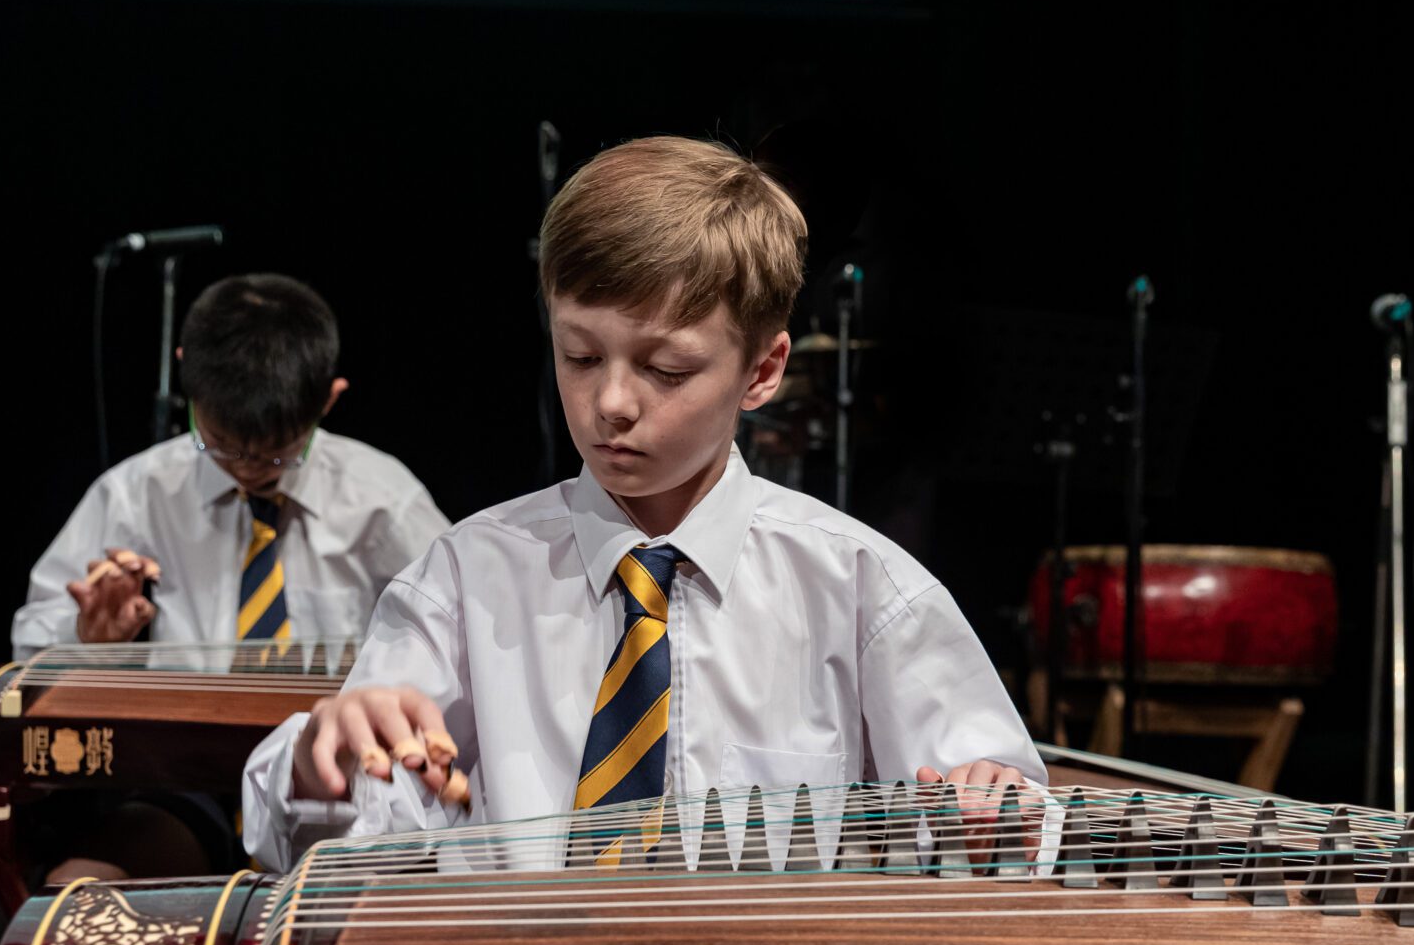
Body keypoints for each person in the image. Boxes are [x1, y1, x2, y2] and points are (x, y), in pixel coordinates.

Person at [243, 137, 1041, 870]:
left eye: (665, 368)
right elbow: (327, 827)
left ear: (762, 370)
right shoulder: (467, 577)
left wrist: (992, 807)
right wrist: (330, 755)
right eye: (580, 355)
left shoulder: (861, 587)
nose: (612, 402)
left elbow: (1011, 817)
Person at [13, 272, 449, 879]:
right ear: (186, 374)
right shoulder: (138, 495)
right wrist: (93, 637)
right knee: (78, 894)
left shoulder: (384, 501)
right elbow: (30, 646)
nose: (247, 471)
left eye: (275, 454)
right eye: (219, 445)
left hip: (339, 780)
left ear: (328, 399)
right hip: (189, 781)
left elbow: (461, 640)